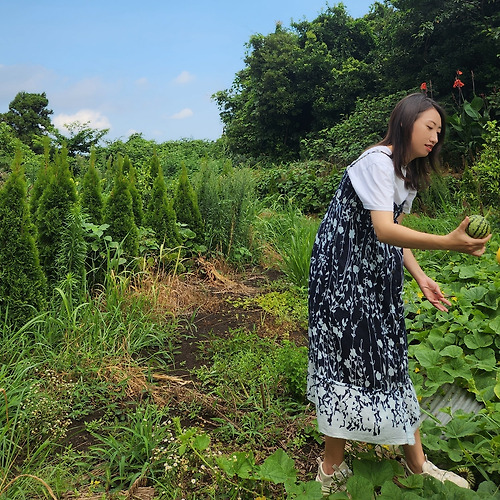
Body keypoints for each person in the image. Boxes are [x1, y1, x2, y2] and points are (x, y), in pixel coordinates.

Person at [306, 93, 491, 495]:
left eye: (439, 131)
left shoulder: (406, 176)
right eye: (430, 126)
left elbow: (397, 238)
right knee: (346, 364)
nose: (435, 136)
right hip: (342, 279)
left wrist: (421, 276)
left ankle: (417, 465)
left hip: (375, 278)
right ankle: (330, 470)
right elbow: (382, 229)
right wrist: (448, 242)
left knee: (390, 360)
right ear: (406, 122)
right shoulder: (377, 160)